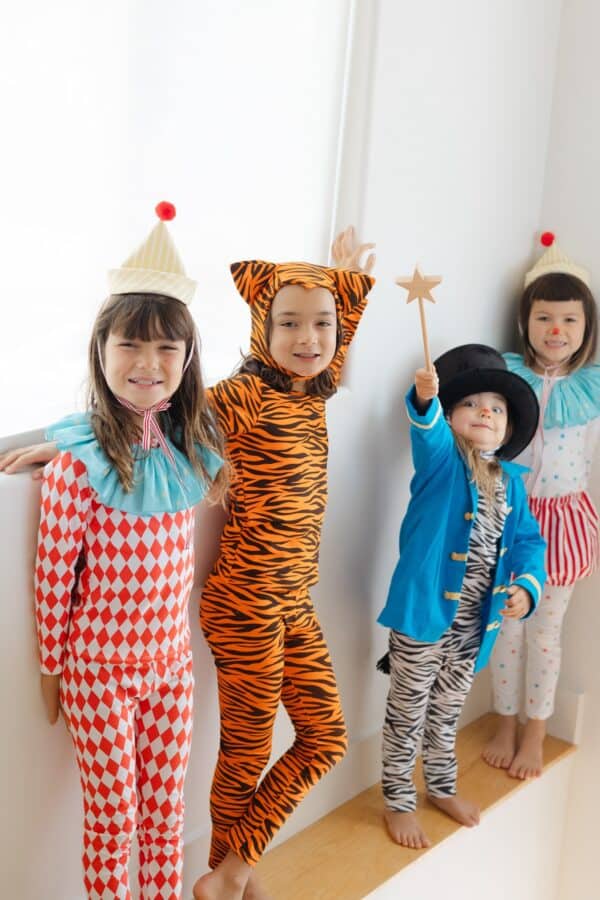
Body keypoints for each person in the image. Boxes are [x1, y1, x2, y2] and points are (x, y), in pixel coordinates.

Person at [31, 203, 226, 900]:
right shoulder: (76, 468)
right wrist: (52, 667)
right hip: (99, 673)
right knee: (113, 821)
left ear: (187, 358)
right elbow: (53, 578)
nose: (148, 364)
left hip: (171, 666)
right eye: (130, 346)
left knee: (166, 815)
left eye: (166, 349)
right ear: (101, 350)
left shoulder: (189, 451)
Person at [190, 230, 375, 900]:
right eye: (288, 323)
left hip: (293, 604)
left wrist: (347, 281)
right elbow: (156, 421)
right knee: (245, 756)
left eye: (321, 323)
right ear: (261, 327)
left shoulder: (312, 390)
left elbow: (332, 342)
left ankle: (232, 869)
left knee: (326, 737)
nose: (308, 337)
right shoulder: (242, 396)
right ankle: (226, 879)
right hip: (243, 603)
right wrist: (64, 449)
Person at [377, 344, 546, 850]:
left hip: (474, 627)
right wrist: (425, 401)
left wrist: (526, 586)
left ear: (508, 428)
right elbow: (425, 433)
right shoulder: (443, 464)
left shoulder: (512, 485)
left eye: (495, 408)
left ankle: (442, 787)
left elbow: (529, 543)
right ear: (452, 417)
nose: (485, 414)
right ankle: (398, 799)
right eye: (471, 405)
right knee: (408, 710)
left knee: (446, 712)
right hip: (424, 615)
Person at [483, 233, 600, 779]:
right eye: (545, 318)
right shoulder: (507, 374)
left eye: (570, 321)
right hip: (510, 517)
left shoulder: (593, 386)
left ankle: (535, 730)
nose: (556, 331)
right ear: (526, 321)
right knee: (505, 627)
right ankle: (504, 720)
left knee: (545, 632)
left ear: (586, 327)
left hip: (564, 522)